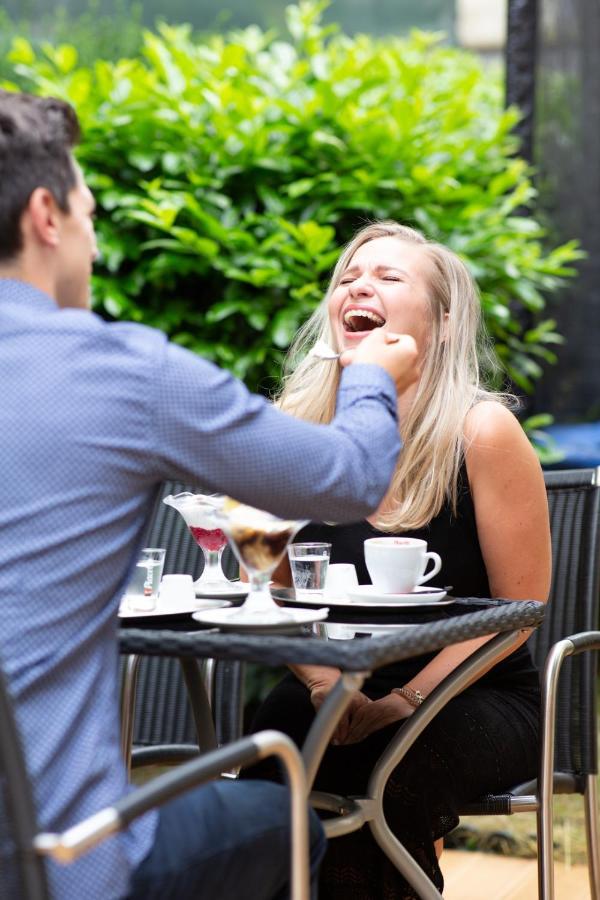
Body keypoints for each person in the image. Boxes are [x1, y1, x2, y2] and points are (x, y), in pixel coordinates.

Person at [0, 91, 420, 900]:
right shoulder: (120, 373)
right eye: (90, 215)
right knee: (281, 816)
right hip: (60, 862)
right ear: (47, 216)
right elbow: (351, 478)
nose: (92, 244)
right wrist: (370, 381)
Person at [244, 221, 552, 898]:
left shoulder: (482, 431)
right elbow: (265, 581)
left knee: (391, 758)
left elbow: (518, 613)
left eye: (388, 277)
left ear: (442, 324)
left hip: (475, 689)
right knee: (277, 735)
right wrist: (329, 685)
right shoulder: (298, 429)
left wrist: (405, 701)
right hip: (341, 677)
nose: (360, 285)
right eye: (349, 277)